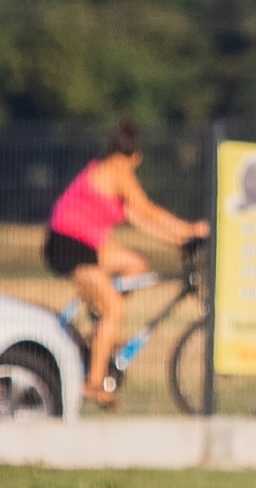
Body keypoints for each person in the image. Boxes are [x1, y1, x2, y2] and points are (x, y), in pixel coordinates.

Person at [42, 119, 210, 408]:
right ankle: (94, 384)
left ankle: (102, 329)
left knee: (135, 265)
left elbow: (141, 220)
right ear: (136, 156)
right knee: (115, 308)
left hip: (82, 244)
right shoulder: (119, 172)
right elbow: (148, 209)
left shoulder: (107, 169)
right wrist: (192, 228)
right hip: (69, 246)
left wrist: (181, 238)